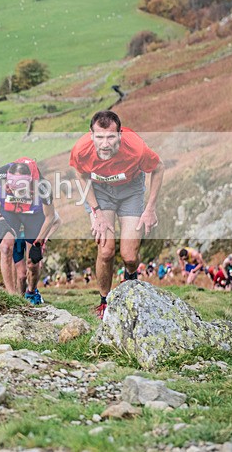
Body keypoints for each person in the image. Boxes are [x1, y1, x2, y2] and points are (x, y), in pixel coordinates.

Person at [69, 110, 164, 319]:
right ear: (91, 135)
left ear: (120, 135)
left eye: (111, 137)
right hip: (100, 194)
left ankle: (130, 281)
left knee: (130, 256)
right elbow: (80, 175)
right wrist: (96, 212)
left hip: (130, 191)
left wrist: (150, 208)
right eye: (99, 137)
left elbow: (158, 168)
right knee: (106, 250)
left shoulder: (136, 149)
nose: (105, 144)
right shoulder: (81, 150)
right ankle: (105, 302)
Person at [0, 158, 60, 305]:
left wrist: (38, 244)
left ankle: (31, 292)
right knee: (5, 247)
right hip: (9, 212)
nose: (17, 193)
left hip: (34, 215)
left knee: (32, 262)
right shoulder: (0, 174)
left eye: (22, 190)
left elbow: (50, 217)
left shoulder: (42, 186)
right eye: (13, 188)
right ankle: (12, 298)